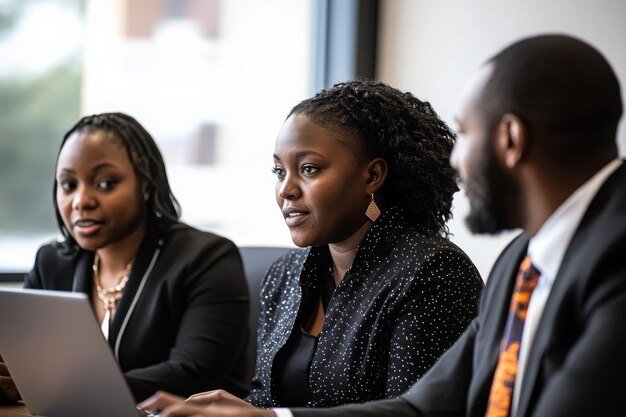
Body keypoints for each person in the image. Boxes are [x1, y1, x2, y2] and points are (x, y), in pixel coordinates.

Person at [146, 34, 626, 417]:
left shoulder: (608, 259)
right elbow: (423, 406)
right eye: (279, 171)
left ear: (510, 139)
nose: (455, 161)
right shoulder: (521, 262)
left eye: (464, 134)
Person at [139, 80, 484, 414]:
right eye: (279, 171)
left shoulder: (432, 273)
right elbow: (266, 402)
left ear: (372, 176)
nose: (286, 190)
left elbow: (413, 412)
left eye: (308, 169)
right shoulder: (284, 275)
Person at [0, 113, 250, 404]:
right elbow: (18, 358)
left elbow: (193, 374)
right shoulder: (52, 263)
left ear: (145, 183)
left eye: (105, 183)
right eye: (68, 185)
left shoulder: (206, 259)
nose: (81, 200)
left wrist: (54, 386)